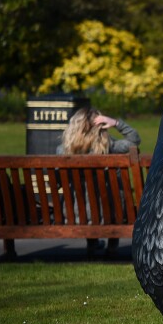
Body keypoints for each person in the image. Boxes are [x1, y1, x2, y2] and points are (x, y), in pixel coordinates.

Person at [57, 107, 142, 256]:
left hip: (75, 214)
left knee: (85, 195)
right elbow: (134, 140)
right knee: (111, 190)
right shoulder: (109, 147)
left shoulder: (62, 150)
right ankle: (112, 246)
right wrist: (115, 123)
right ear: (100, 128)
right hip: (110, 214)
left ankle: (92, 244)